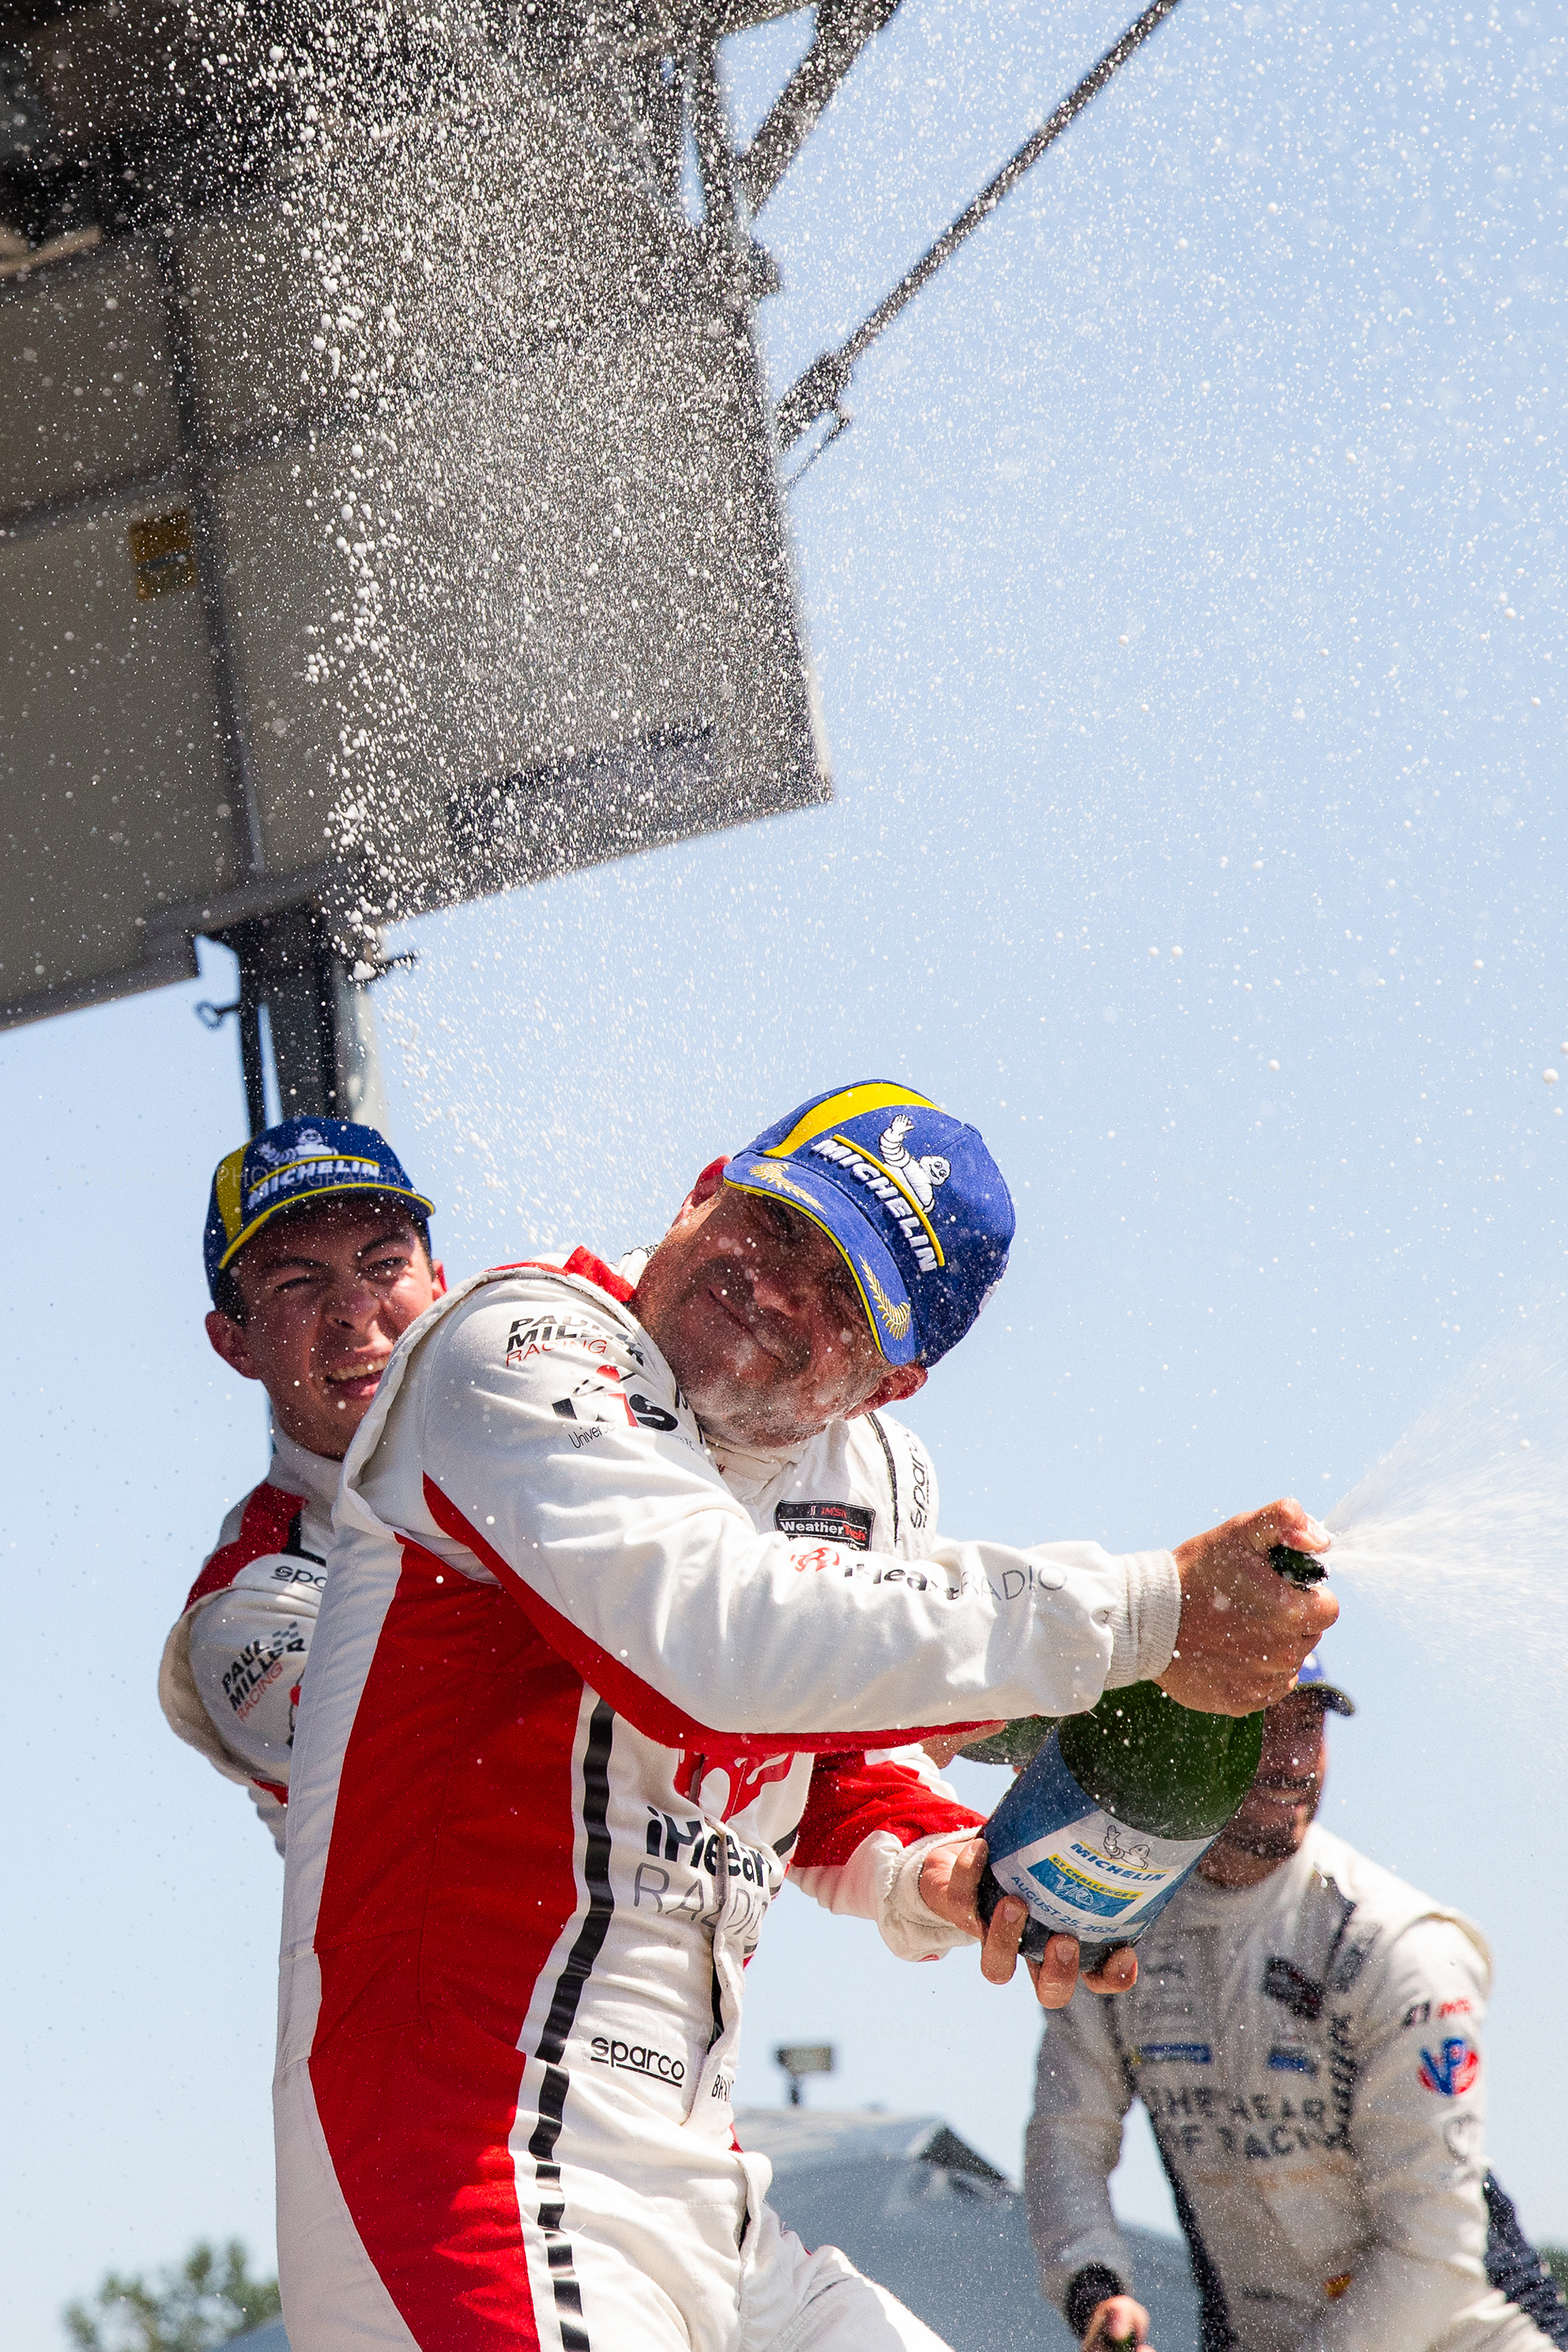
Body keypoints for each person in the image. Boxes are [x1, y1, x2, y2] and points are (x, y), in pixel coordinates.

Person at [276, 1078, 1335, 2352]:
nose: (776, 1288)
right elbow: (712, 1643)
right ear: (703, 1190)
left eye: (841, 1292)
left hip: (705, 2187)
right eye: (776, 1224)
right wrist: (1145, 1611)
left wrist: (944, 1873)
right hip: (461, 2161)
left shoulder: (872, 1476)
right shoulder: (520, 1339)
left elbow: (820, 1755)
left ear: (895, 1380)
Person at [1025, 1655, 1568, 2352]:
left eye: (1308, 1726)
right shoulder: (1119, 1925)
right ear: (1190, 1730)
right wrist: (1095, 2291)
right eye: (1261, 1724)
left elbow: (1434, 2252)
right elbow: (1067, 2137)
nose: (1291, 1762)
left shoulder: (1396, 1946)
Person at [158, 1116, 444, 1850]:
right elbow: (449, 1751)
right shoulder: (245, 1600)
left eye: (384, 1265)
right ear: (234, 1344)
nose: (354, 1309)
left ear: (441, 1287)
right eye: (297, 1282)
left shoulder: (567, 1427)